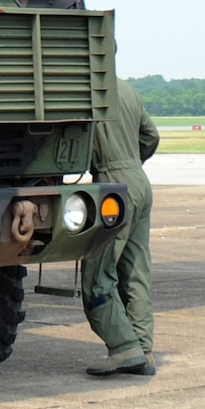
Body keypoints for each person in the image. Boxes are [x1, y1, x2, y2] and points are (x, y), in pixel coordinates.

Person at [83, 73, 158, 376]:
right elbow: (151, 136)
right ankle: (143, 349)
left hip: (111, 184)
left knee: (98, 274)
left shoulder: (85, 92)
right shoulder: (128, 90)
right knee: (137, 270)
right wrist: (131, 162)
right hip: (139, 181)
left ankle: (123, 346)